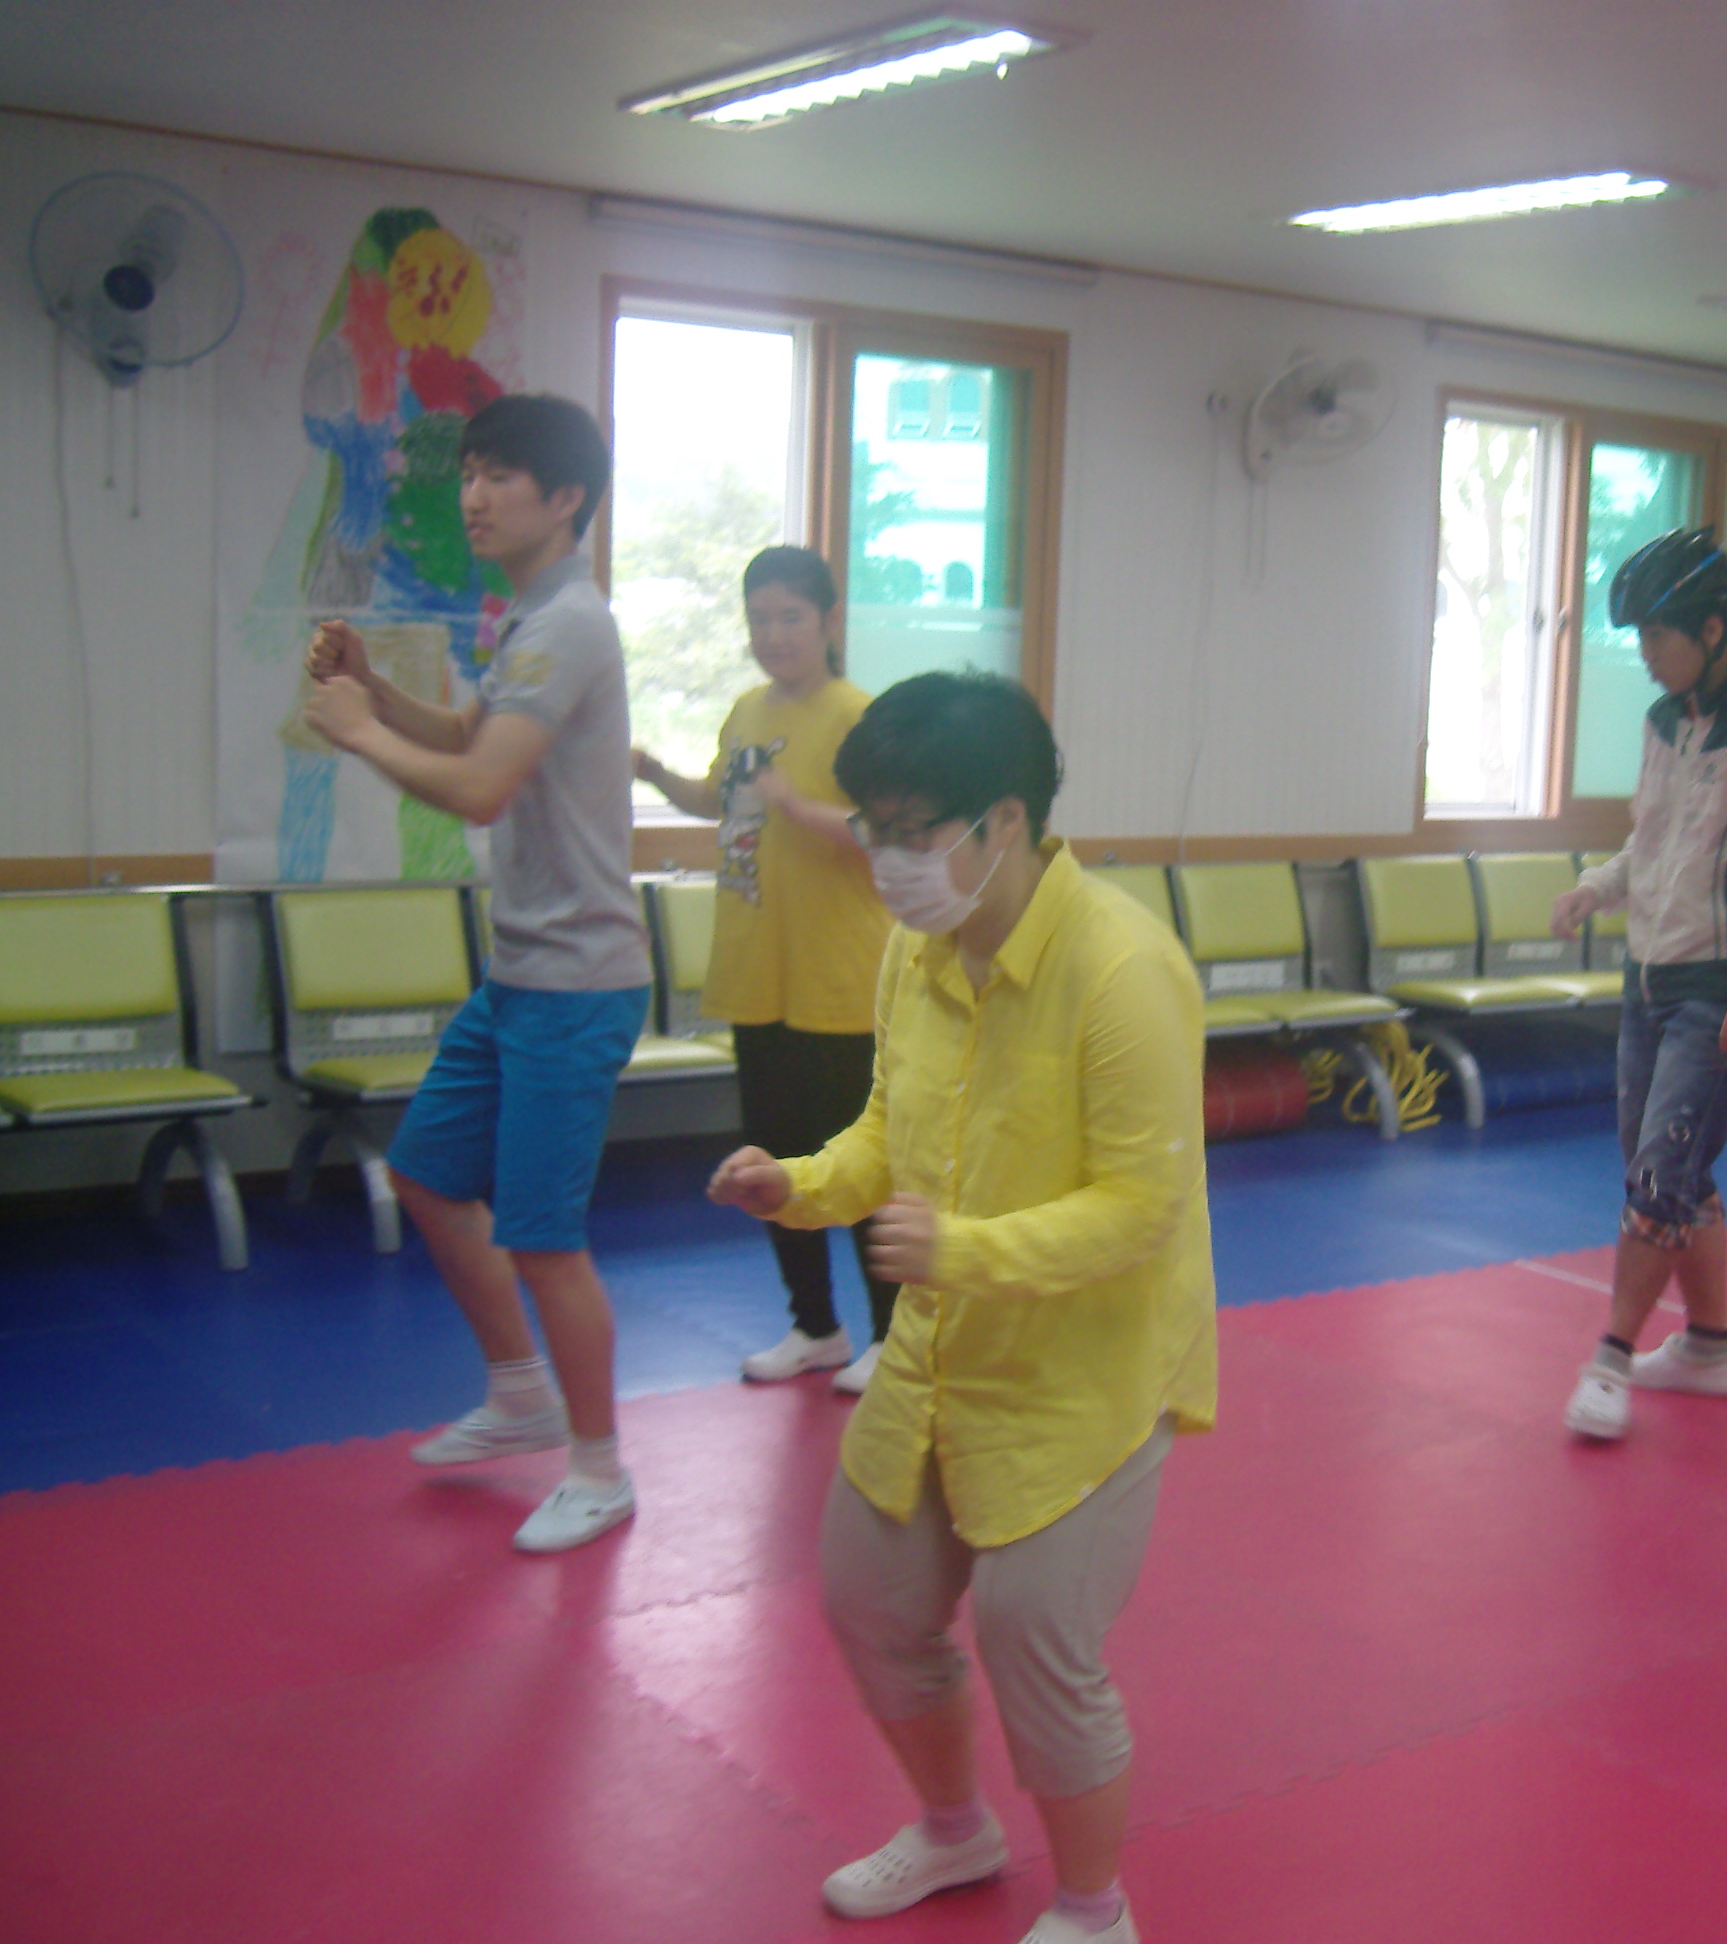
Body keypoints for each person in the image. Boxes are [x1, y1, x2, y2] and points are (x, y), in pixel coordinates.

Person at [706, 671, 1215, 1944]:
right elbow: (889, 1133)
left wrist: (961, 1250)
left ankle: (1093, 1910)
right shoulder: (916, 954)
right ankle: (953, 1830)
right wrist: (798, 1185)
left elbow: (1141, 1207)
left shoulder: (1123, 968)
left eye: (910, 830)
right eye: (870, 827)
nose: (884, 859)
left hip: (1088, 1369)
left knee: (1032, 1628)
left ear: (1005, 822)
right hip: (943, 1353)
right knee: (867, 1596)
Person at [302, 392, 652, 1555]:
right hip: (521, 977)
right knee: (426, 1174)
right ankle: (518, 1393)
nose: (474, 495)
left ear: (567, 498)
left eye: (501, 475)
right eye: (471, 473)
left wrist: (355, 731)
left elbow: (480, 790)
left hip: (579, 983)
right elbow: (470, 738)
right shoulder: (530, 615)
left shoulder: (569, 624)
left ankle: (600, 1471)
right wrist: (377, 691)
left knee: (543, 1236)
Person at [1549, 528, 1727, 1441]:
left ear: (1713, 631)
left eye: (1656, 636)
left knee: (1659, 1175)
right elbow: (1656, 840)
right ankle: (1710, 1349)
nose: (1644, 653)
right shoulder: (1664, 721)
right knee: (1673, 1169)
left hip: (1722, 986)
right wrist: (1598, 886)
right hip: (1651, 974)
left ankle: (1609, 1360)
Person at [633, 547, 899, 1390]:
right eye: (759, 618)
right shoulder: (746, 710)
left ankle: (892, 1338)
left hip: (840, 976)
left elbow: (887, 832)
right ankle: (814, 1326)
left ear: (829, 621)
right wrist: (654, 773)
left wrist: (796, 805)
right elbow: (716, 798)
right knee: (772, 1159)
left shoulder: (859, 715)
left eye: (791, 616)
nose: (773, 634)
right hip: (759, 970)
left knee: (858, 1162)